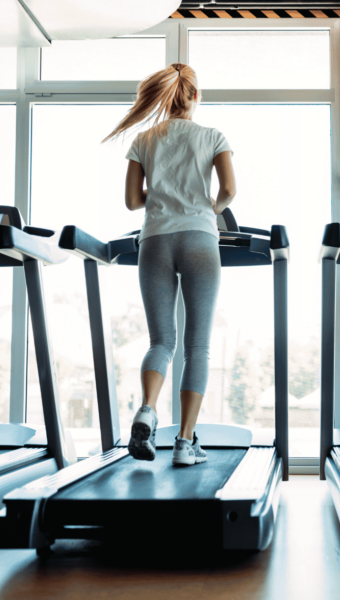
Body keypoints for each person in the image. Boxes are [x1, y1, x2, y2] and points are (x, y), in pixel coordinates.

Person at [103, 63, 236, 466]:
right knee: (197, 346)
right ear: (195, 96)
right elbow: (229, 191)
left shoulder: (145, 138)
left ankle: (146, 409)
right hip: (199, 237)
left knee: (161, 341)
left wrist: (163, 197)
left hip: (155, 240)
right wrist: (205, 208)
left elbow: (131, 200)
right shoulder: (213, 136)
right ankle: (184, 442)